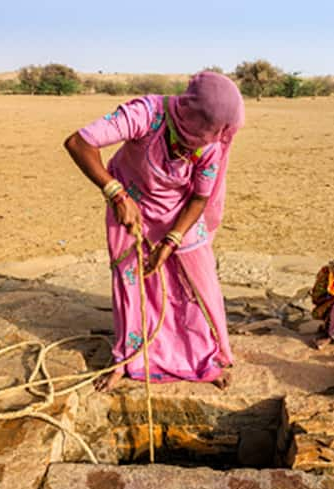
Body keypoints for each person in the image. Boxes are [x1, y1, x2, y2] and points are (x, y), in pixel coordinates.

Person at [64, 72, 244, 392]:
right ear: (192, 113)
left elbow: (200, 197)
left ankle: (202, 359)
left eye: (221, 130)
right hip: (129, 202)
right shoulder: (146, 114)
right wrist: (116, 194)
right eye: (211, 128)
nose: (216, 136)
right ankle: (129, 358)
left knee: (194, 285)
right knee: (132, 283)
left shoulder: (213, 144)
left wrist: (172, 240)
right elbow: (79, 143)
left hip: (182, 213)